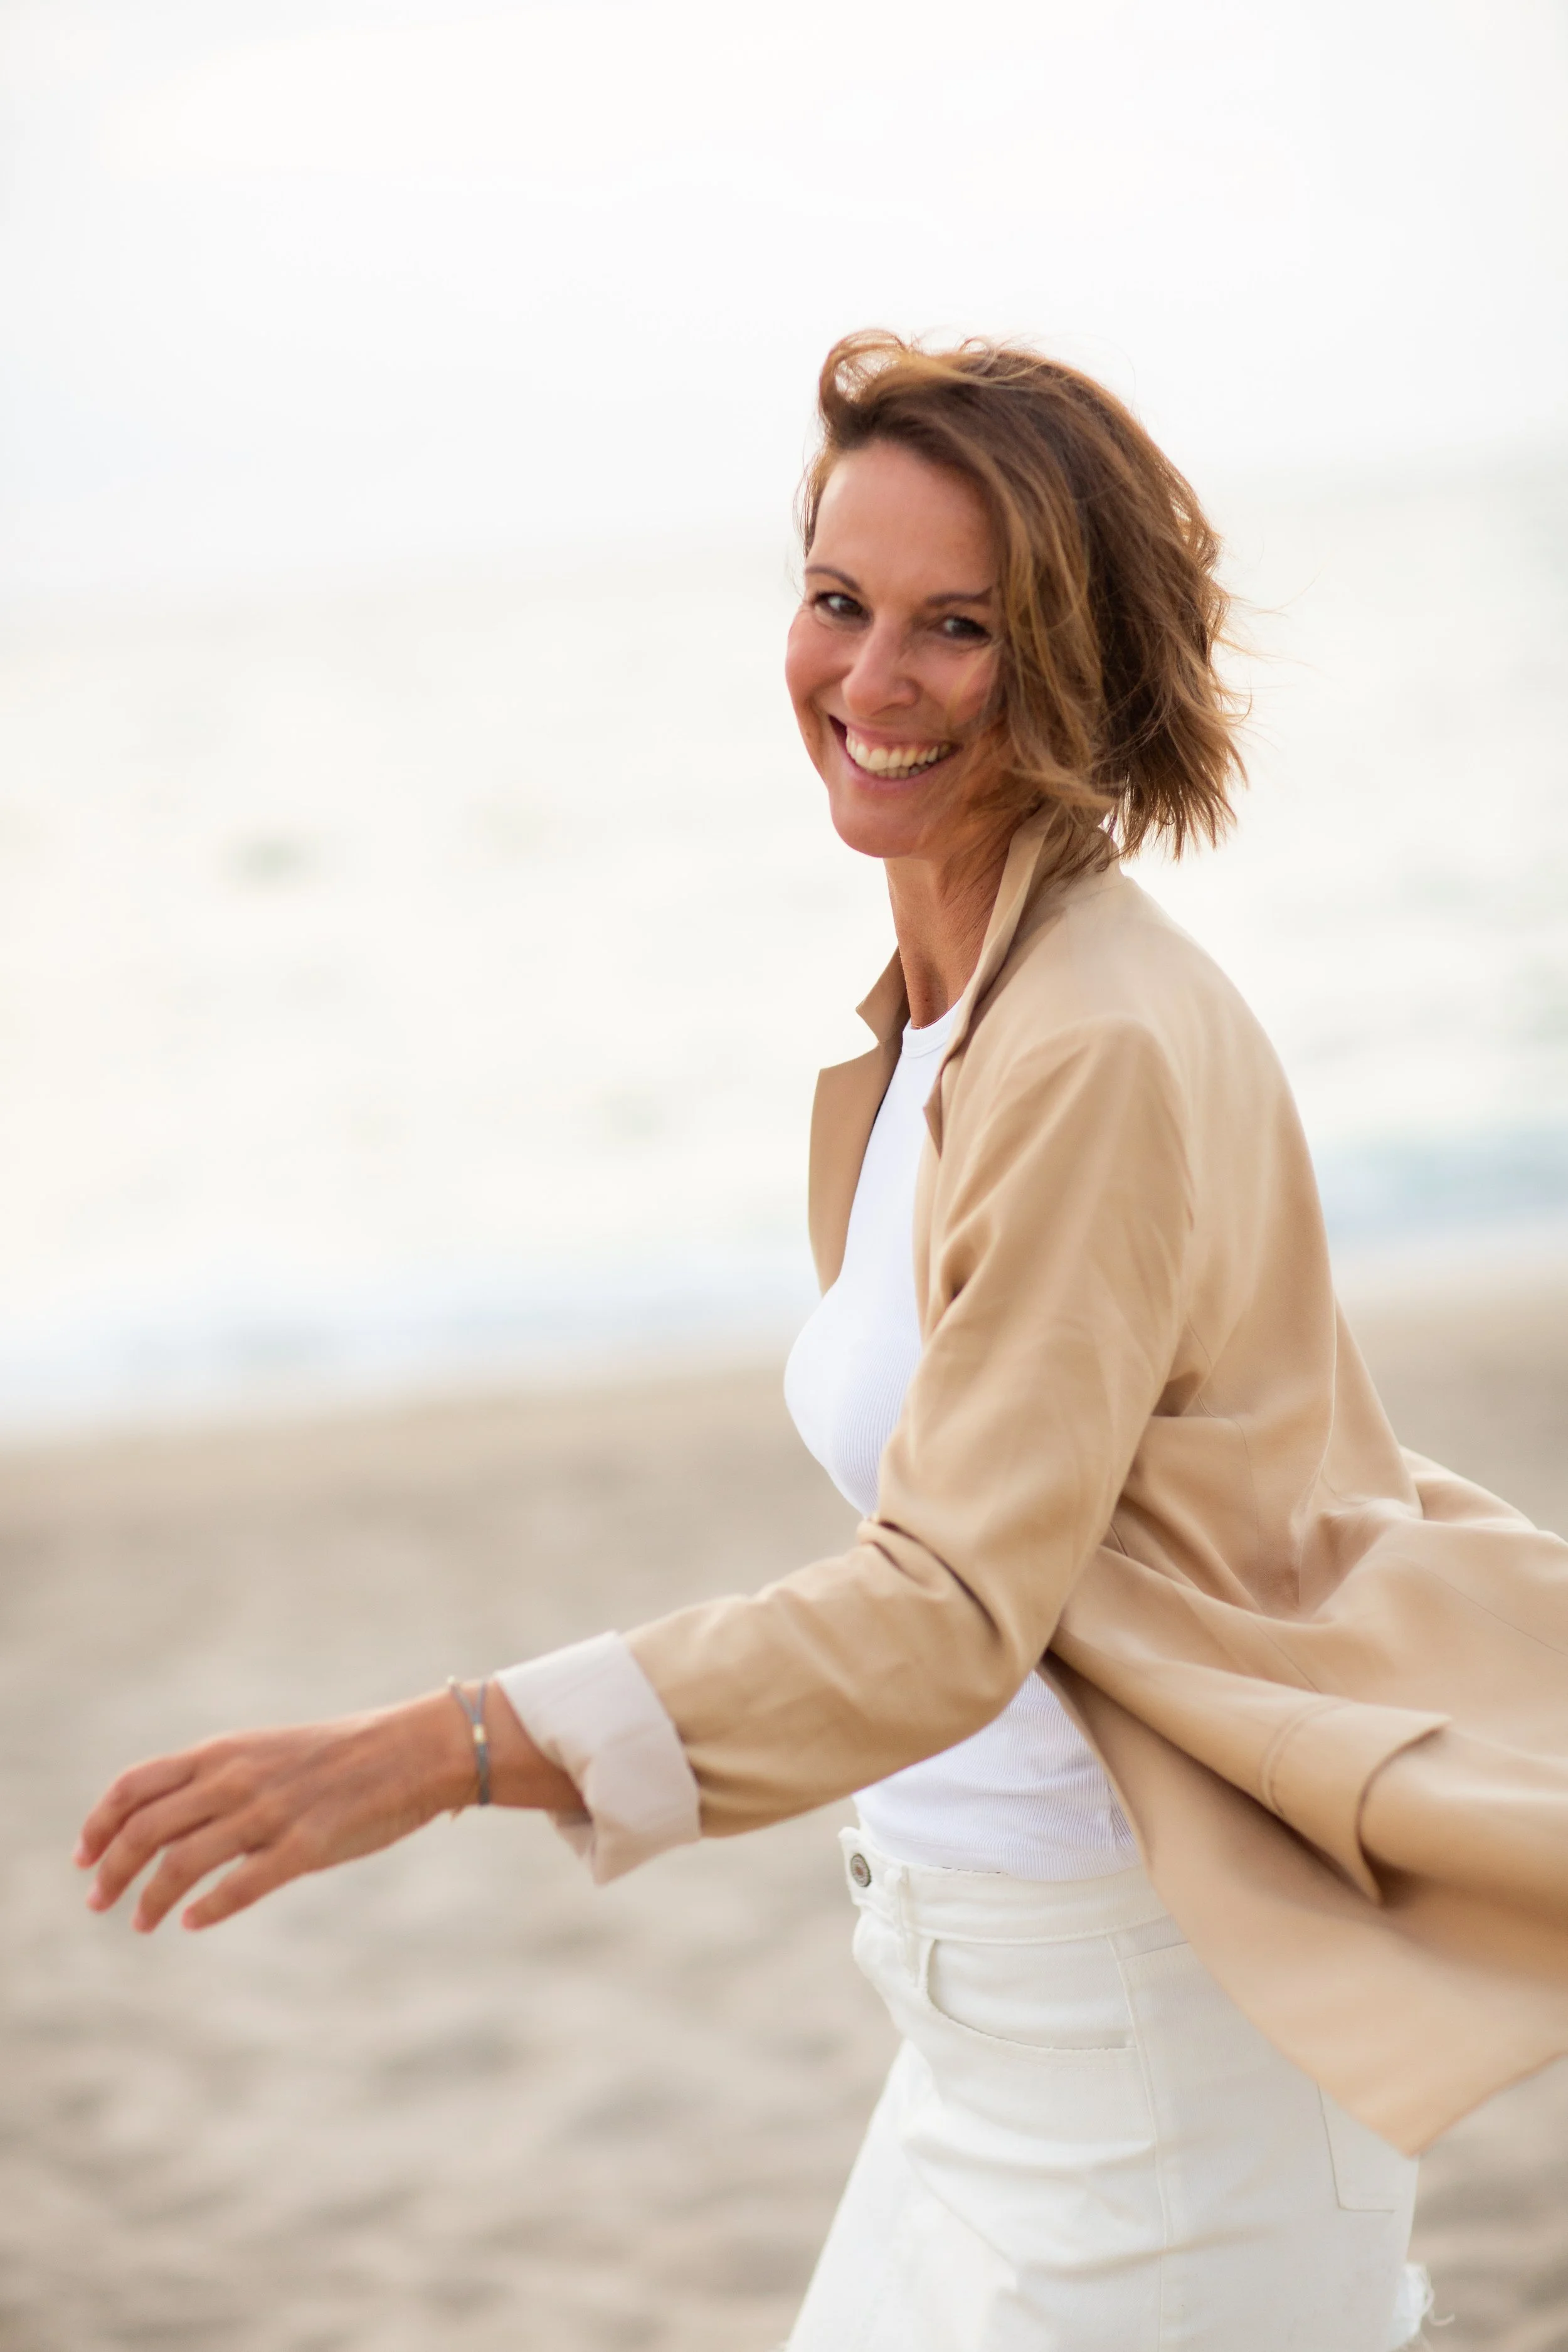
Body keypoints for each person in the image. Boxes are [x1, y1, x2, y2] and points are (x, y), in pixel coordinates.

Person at [77, 334, 1568, 2352]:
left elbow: (948, 1601)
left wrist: (453, 1747)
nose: (869, 681)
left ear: (1086, 663)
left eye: (960, 627)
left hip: (1153, 2078)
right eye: (839, 600)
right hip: (976, 2041)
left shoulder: (1097, 1045)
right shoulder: (938, 1030)